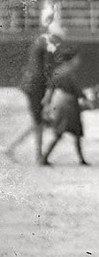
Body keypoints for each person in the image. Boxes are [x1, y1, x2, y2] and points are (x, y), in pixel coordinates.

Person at [5, 30, 56, 163]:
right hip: (35, 86)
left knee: (37, 122)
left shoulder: (39, 44)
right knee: (38, 122)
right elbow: (48, 70)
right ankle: (34, 154)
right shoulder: (46, 46)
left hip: (31, 85)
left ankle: (13, 148)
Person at [39, 47, 89, 166]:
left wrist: (46, 105)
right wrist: (84, 97)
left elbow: (50, 89)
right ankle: (81, 159)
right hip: (70, 104)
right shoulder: (70, 72)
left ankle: (45, 157)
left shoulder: (58, 71)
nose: (79, 61)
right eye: (77, 58)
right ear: (71, 59)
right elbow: (76, 90)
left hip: (61, 103)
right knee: (75, 133)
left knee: (60, 132)